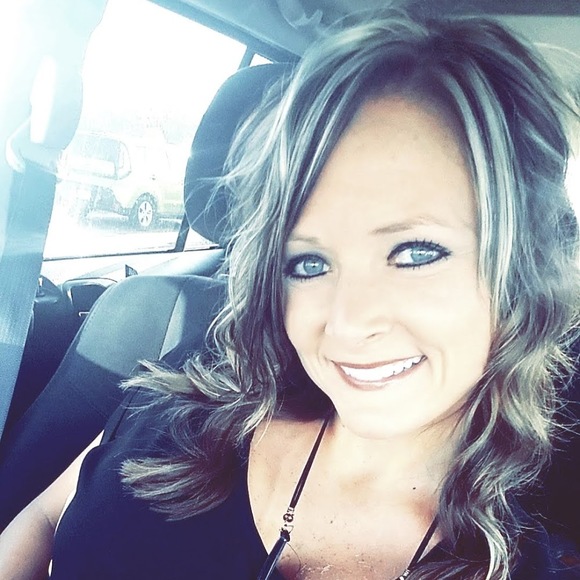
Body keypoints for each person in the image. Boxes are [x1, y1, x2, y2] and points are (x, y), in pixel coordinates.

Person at [1, 10, 579, 580]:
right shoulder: (187, 399)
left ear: (525, 270)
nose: (346, 324)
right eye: (309, 263)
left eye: (415, 253)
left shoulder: (530, 560)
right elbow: (52, 513)